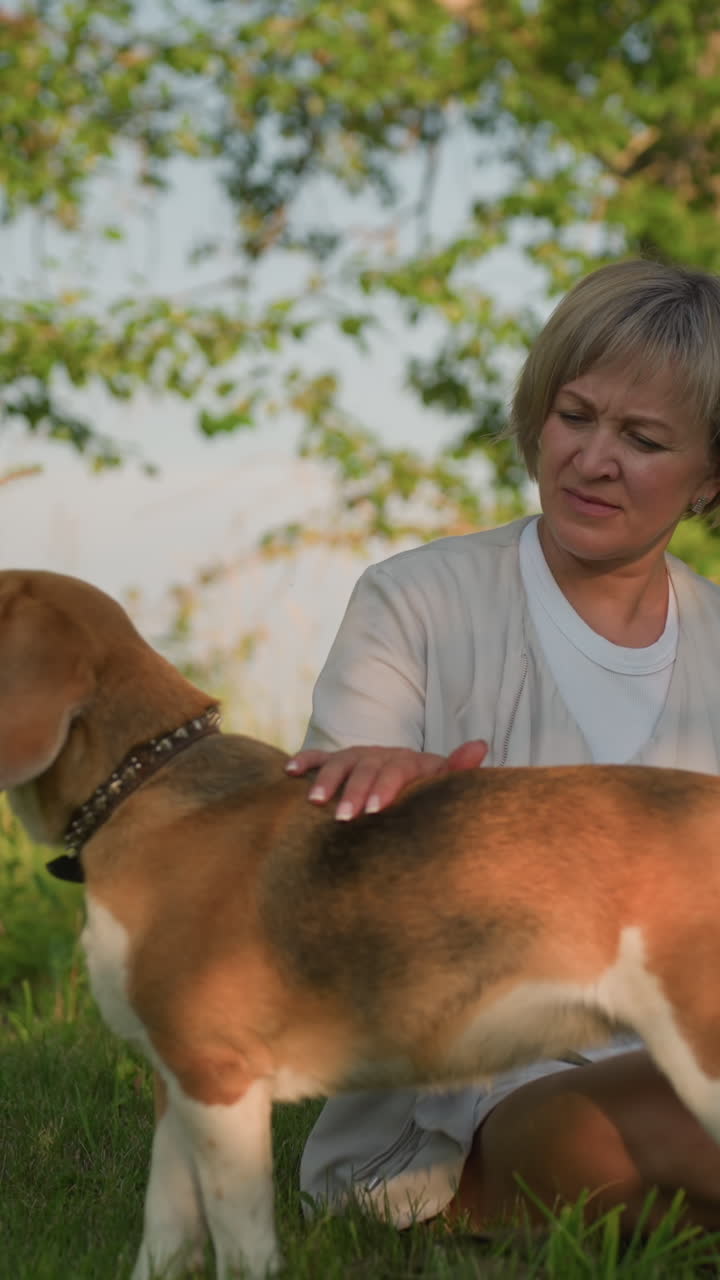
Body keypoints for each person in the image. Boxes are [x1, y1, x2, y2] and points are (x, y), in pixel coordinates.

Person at [286, 258, 720, 1234]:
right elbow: (308, 900)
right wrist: (403, 834)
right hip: (455, 1127)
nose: (593, 458)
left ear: (712, 473)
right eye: (575, 416)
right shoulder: (415, 603)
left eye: (644, 438)